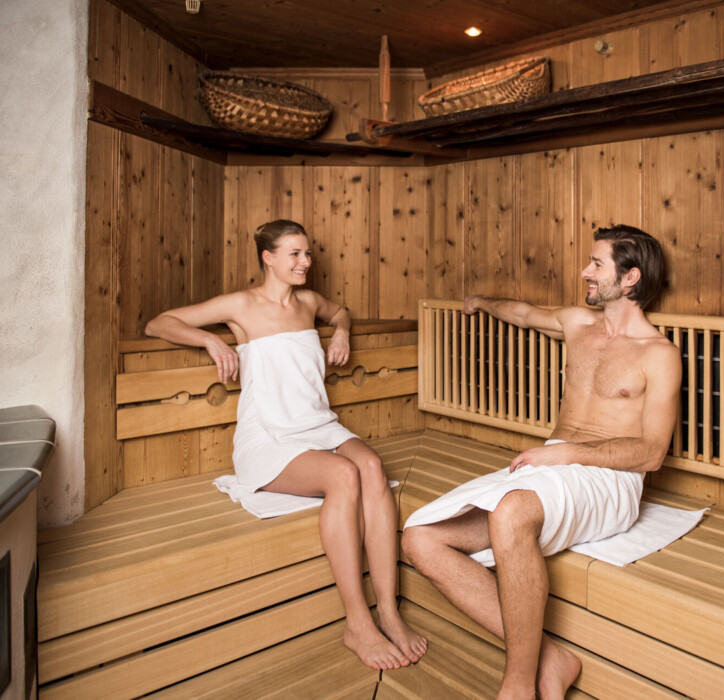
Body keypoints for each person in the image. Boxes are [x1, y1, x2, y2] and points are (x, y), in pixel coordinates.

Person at [401, 224, 681, 699]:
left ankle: (517, 686)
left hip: (610, 480)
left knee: (510, 513)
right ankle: (552, 659)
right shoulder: (578, 325)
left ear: (630, 278)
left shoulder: (659, 355)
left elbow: (652, 454)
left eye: (597, 264)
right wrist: (481, 303)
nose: (585, 272)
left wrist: (566, 453)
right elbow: (525, 314)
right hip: (550, 469)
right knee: (419, 539)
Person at [145, 219, 426, 671]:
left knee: (371, 467)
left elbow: (340, 311)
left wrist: (342, 331)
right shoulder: (240, 305)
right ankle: (357, 622)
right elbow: (158, 324)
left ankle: (389, 612)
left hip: (318, 426)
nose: (305, 263)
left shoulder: (309, 303)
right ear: (268, 258)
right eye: (294, 254)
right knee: (344, 475)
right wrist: (209, 340)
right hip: (269, 435)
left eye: (308, 254)